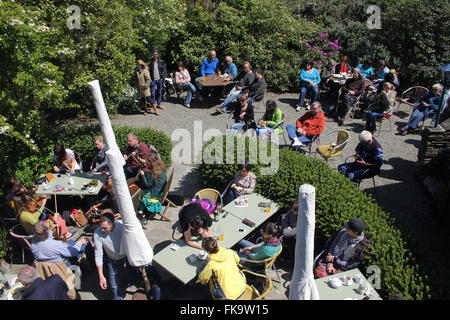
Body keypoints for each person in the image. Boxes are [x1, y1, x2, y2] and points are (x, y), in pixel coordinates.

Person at [94, 212, 138, 300]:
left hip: (127, 254)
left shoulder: (122, 225)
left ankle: (131, 282)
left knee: (134, 272)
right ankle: (117, 297)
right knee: (114, 283)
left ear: (113, 223)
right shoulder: (97, 234)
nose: (102, 230)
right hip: (113, 258)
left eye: (104, 228)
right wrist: (101, 275)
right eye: (101, 227)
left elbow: (136, 222)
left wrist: (124, 215)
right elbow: (98, 254)